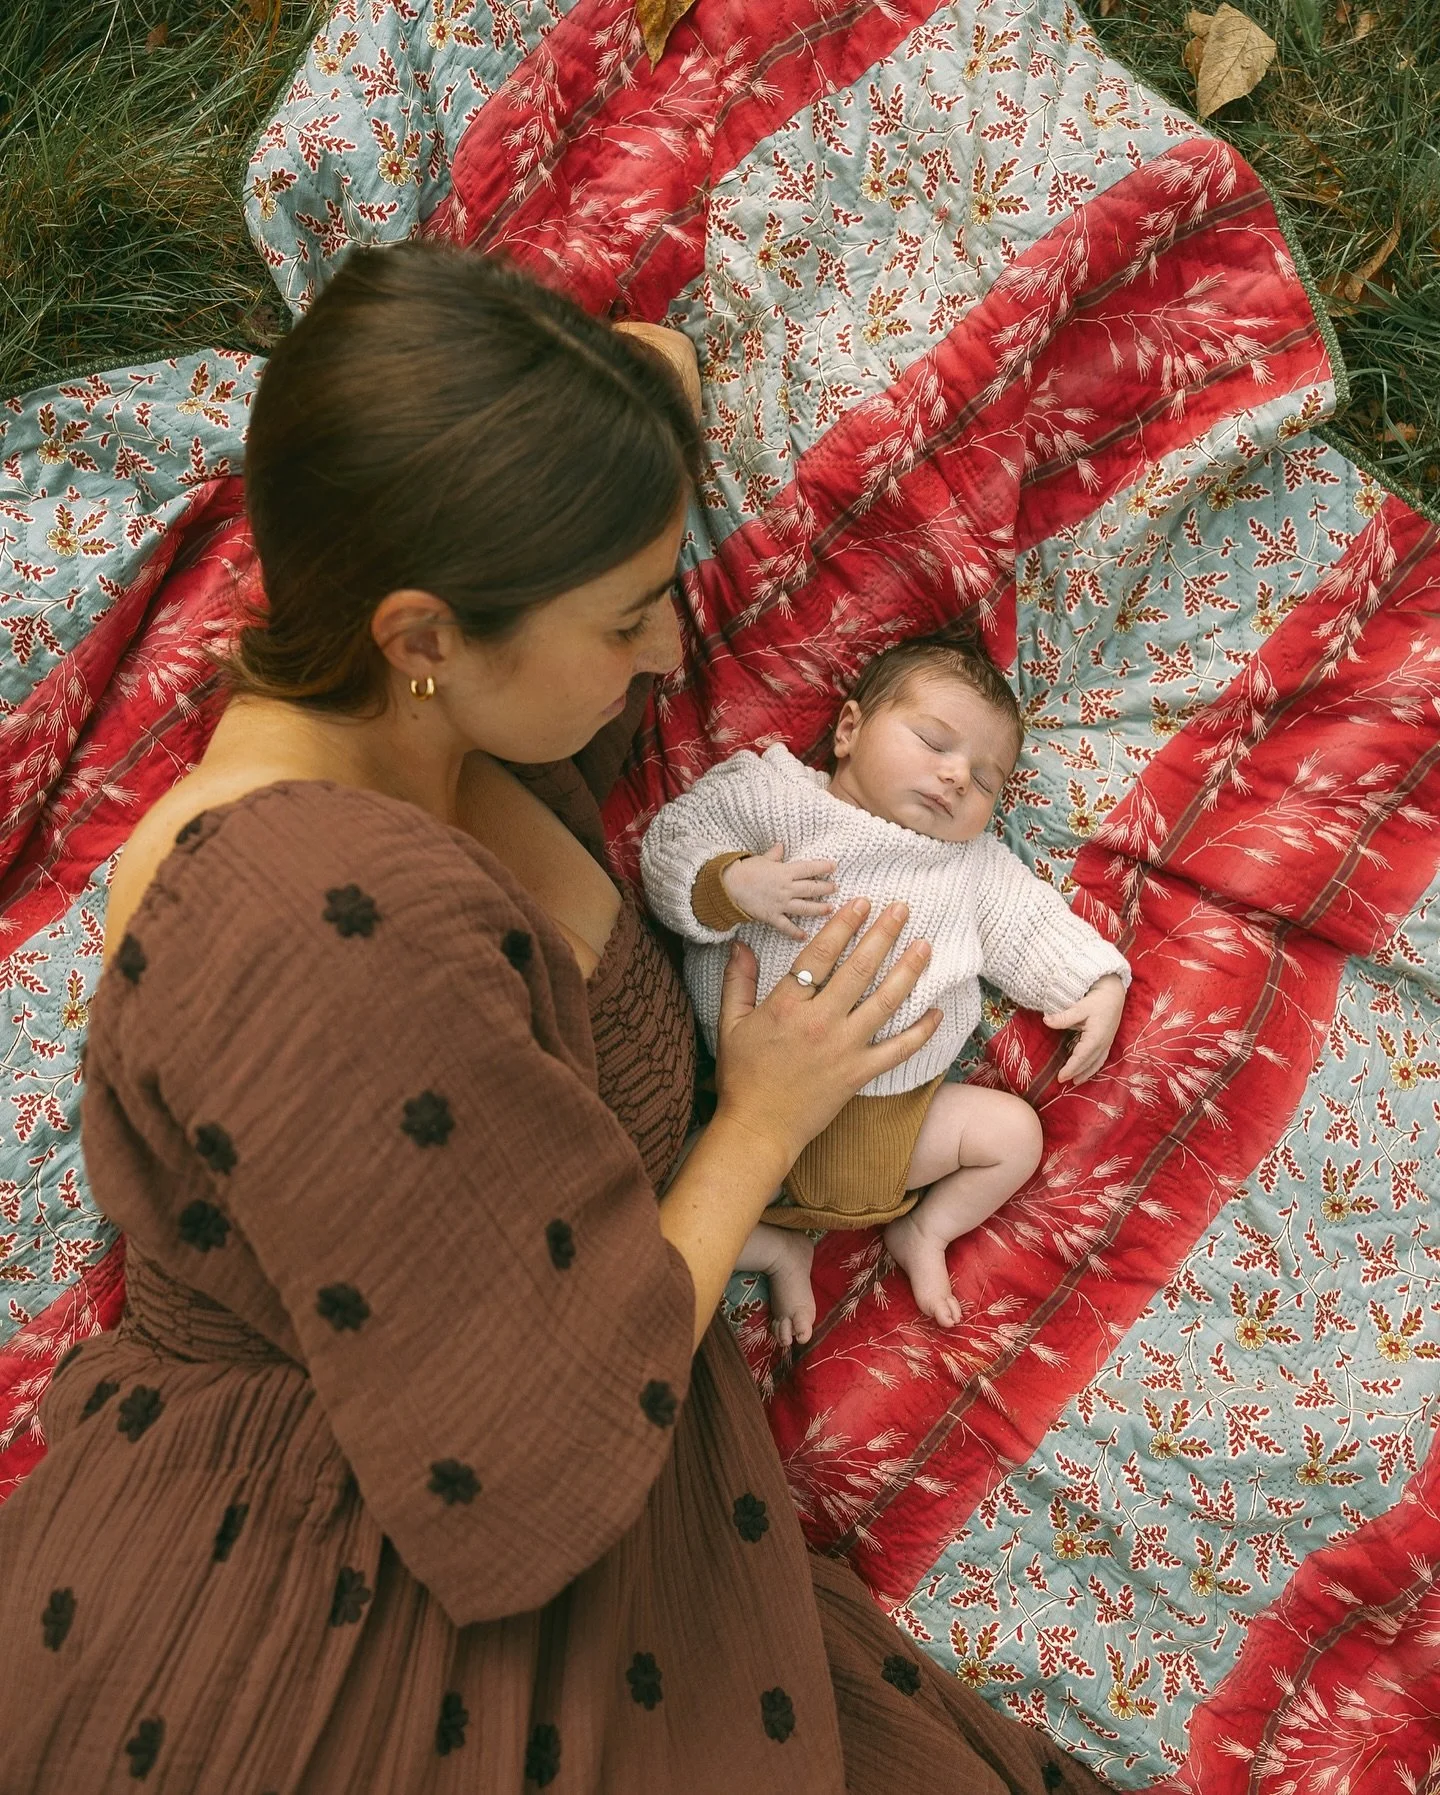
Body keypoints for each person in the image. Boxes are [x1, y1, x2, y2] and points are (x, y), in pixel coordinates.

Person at [0, 242, 1106, 1795]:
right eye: (630, 615)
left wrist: (607, 402)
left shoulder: (437, 735)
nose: (673, 648)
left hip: (600, 1503)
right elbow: (512, 1450)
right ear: (425, 637)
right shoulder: (304, 909)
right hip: (338, 1612)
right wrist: (765, 1116)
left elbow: (655, 360)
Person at [640, 633, 1130, 1343]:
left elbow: (1030, 925)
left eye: (987, 779)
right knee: (658, 1204)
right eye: (934, 741)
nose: (959, 776)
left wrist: (1098, 978)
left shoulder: (968, 866)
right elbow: (672, 841)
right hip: (742, 1110)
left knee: (1014, 1135)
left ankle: (924, 1228)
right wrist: (733, 881)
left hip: (895, 1127)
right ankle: (779, 1248)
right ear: (847, 730)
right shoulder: (771, 794)